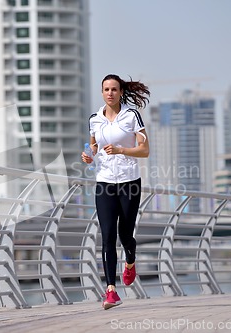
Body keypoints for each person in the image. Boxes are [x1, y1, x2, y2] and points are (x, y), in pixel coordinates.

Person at [82, 74, 150, 310]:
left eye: (114, 89)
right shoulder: (94, 119)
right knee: (108, 235)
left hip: (130, 182)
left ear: (121, 92)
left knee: (125, 235)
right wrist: (88, 155)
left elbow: (145, 150)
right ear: (102, 93)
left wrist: (121, 150)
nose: (110, 93)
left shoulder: (131, 116)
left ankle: (130, 261)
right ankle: (111, 291)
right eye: (106, 89)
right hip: (104, 183)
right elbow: (93, 145)